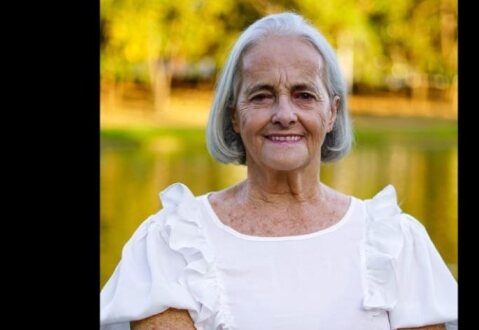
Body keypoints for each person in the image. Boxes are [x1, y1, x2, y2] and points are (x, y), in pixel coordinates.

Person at [100, 12, 458, 330]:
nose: (284, 114)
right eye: (261, 95)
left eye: (304, 95)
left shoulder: (395, 242)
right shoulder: (173, 242)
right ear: (234, 116)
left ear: (332, 113)